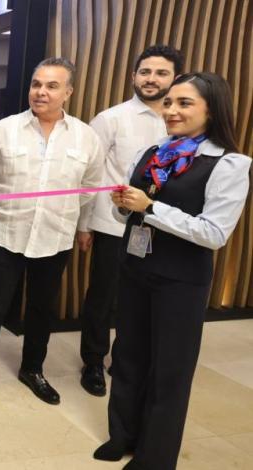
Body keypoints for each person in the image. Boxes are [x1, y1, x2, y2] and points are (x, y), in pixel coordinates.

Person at [95, 72, 250, 470]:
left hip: (180, 281)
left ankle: (155, 457)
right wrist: (124, 204)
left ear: (211, 110)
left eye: (184, 103)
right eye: (169, 102)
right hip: (134, 267)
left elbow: (214, 233)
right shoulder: (154, 152)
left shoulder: (228, 164)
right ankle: (122, 435)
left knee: (169, 370)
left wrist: (150, 207)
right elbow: (127, 212)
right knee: (127, 355)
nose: (171, 111)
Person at [0, 57, 103, 405]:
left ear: (68, 92)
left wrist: (71, 219)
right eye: (36, 84)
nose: (41, 92)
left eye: (51, 86)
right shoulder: (1, 131)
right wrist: (3, 212)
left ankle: (33, 369)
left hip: (54, 236)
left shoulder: (86, 138)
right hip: (4, 233)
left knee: (42, 308)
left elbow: (89, 188)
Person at [76, 45, 183, 397]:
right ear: (133, 76)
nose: (151, 79)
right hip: (113, 225)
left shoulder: (182, 124)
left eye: (161, 73)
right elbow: (89, 175)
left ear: (175, 79)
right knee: (103, 296)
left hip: (162, 226)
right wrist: (85, 225)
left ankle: (124, 360)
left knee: (140, 299)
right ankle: (93, 360)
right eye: (145, 72)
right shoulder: (111, 119)